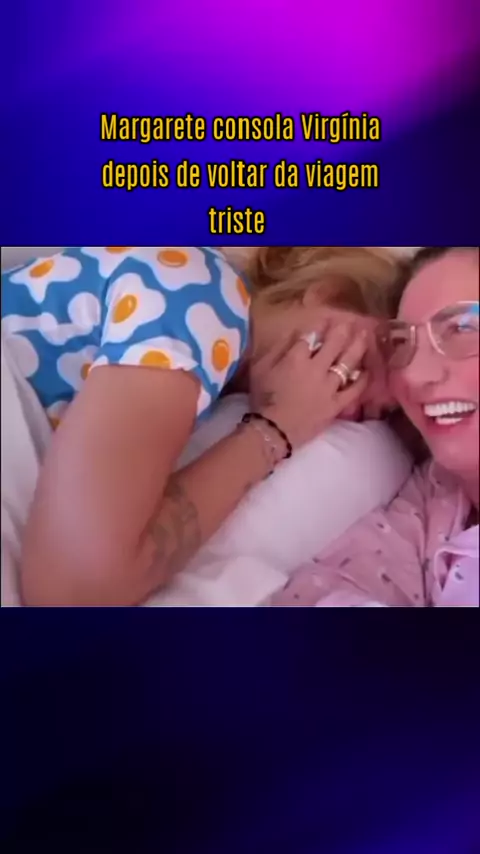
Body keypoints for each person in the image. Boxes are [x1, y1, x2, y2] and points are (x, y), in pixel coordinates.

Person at [1, 245, 399, 606]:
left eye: (368, 413)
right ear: (330, 293)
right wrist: (276, 428)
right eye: (353, 370)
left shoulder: (214, 372)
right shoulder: (203, 295)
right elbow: (72, 587)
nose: (340, 404)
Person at [270, 246, 479, 607]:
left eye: (462, 328)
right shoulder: (435, 495)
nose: (413, 375)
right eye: (401, 343)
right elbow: (321, 593)